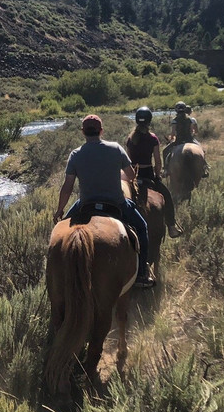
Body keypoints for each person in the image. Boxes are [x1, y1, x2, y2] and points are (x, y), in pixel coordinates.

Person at [54, 114, 155, 287]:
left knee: (61, 231)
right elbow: (130, 176)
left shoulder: (76, 154)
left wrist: (59, 210)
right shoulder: (115, 149)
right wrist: (115, 174)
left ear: (83, 132)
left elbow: (67, 186)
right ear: (101, 131)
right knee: (141, 227)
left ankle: (57, 275)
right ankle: (141, 274)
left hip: (86, 204)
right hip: (117, 204)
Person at [125, 106, 183, 238]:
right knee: (166, 196)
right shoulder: (152, 138)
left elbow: (128, 160)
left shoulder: (130, 138)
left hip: (132, 176)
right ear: (149, 121)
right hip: (147, 174)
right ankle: (172, 227)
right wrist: (157, 175)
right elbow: (157, 161)